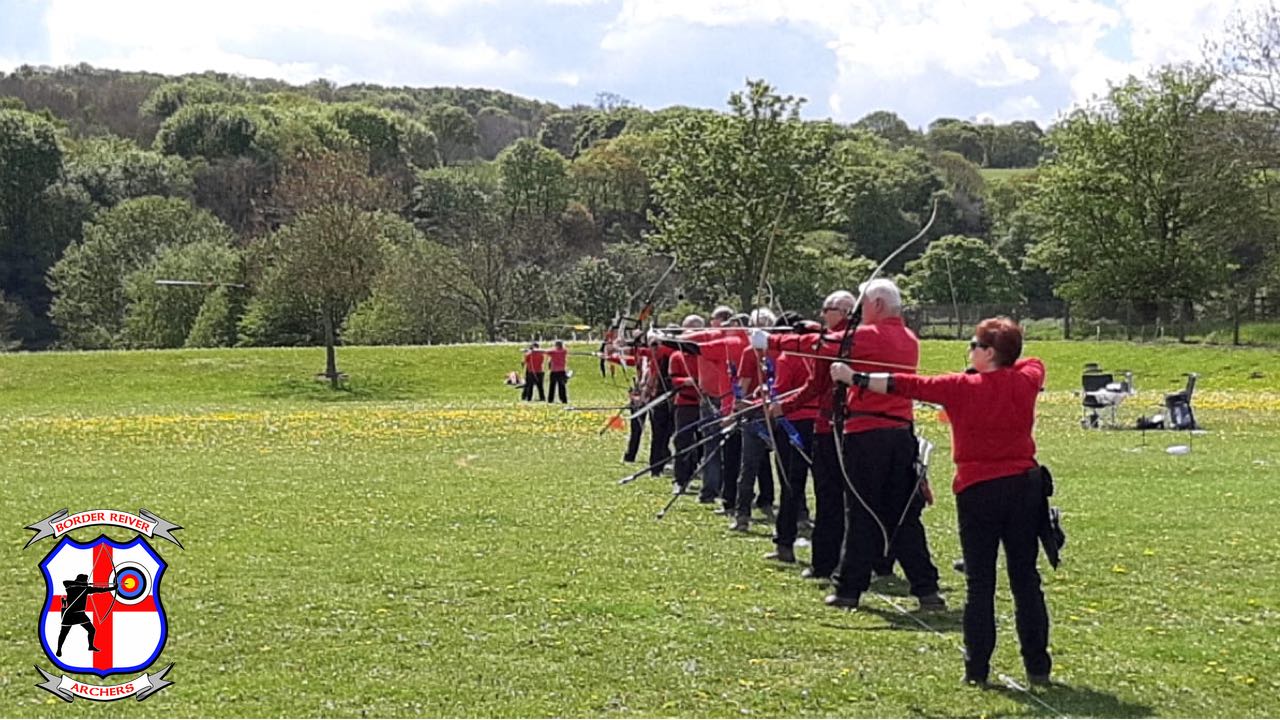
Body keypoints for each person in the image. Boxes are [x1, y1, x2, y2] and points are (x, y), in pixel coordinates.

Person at [834, 316, 1052, 688]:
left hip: (978, 490)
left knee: (980, 582)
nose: (969, 350)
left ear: (988, 352)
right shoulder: (1026, 378)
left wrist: (852, 377)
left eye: (974, 345)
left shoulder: (959, 387)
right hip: (1023, 488)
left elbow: (904, 384)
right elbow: (1033, 363)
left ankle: (977, 671)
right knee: (1026, 579)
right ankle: (1037, 667)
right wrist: (993, 366)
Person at [823, 279, 942, 612]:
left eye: (862, 306)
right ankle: (927, 589)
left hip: (866, 433)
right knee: (903, 513)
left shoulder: (868, 335)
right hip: (900, 435)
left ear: (874, 305)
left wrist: (771, 340)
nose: (859, 313)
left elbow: (823, 345)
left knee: (861, 510)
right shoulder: (909, 337)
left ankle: (849, 589)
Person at [668, 315, 706, 495]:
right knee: (682, 440)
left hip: (705, 403)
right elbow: (673, 379)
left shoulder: (706, 353)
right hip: (685, 403)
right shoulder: (677, 356)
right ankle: (680, 479)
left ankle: (704, 477)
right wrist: (687, 381)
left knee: (703, 441)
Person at [55, 573, 114, 657]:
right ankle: (59, 649)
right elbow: (65, 582)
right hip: (69, 614)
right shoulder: (70, 587)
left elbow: (100, 590)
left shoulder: (86, 589)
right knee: (64, 633)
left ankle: (90, 646)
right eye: (85, 580)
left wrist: (113, 588)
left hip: (80, 614)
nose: (86, 582)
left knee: (92, 630)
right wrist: (81, 584)